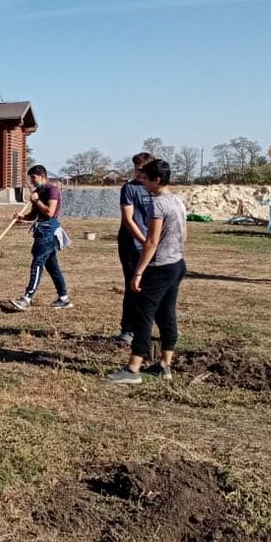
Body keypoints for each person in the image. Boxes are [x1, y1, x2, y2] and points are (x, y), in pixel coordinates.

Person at [106, 159, 187, 385]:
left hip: (159, 267)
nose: (143, 183)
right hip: (177, 264)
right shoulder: (178, 201)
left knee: (143, 314)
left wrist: (139, 272)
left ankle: (133, 369)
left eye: (146, 179)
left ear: (157, 180)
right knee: (166, 314)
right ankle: (164, 365)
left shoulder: (157, 204)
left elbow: (151, 241)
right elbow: (184, 235)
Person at [11, 165, 73, 311]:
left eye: (34, 177)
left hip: (49, 232)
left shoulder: (52, 190)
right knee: (52, 266)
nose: (32, 181)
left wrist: (37, 200)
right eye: (30, 178)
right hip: (41, 230)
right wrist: (22, 217)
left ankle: (27, 298)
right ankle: (64, 298)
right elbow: (34, 215)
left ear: (43, 177)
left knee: (37, 263)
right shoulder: (38, 192)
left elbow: (50, 212)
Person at [116, 152, 155, 343]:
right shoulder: (129, 188)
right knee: (133, 285)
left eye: (141, 169)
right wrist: (144, 241)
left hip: (151, 245)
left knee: (151, 288)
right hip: (131, 245)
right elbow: (128, 219)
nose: (138, 173)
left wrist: (153, 242)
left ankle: (146, 327)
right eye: (135, 169)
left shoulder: (154, 189)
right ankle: (127, 329)